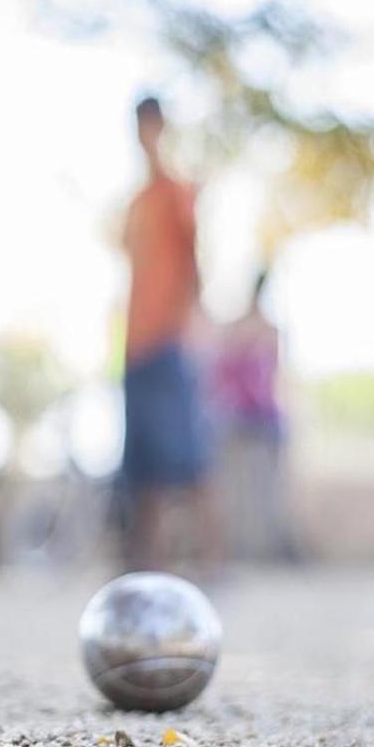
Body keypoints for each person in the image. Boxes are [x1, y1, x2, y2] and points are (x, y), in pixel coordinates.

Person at [117, 96, 223, 574]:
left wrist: (192, 324)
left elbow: (195, 265)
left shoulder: (175, 192)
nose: (145, 136)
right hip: (135, 347)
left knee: (188, 457)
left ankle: (212, 561)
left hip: (167, 342)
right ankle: (146, 567)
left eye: (152, 127)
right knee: (143, 469)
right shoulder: (136, 203)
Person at [211, 270, 301, 562]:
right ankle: (241, 548)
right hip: (240, 417)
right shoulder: (247, 329)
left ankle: (268, 545)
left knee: (266, 487)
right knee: (240, 488)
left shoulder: (259, 329)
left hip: (261, 416)